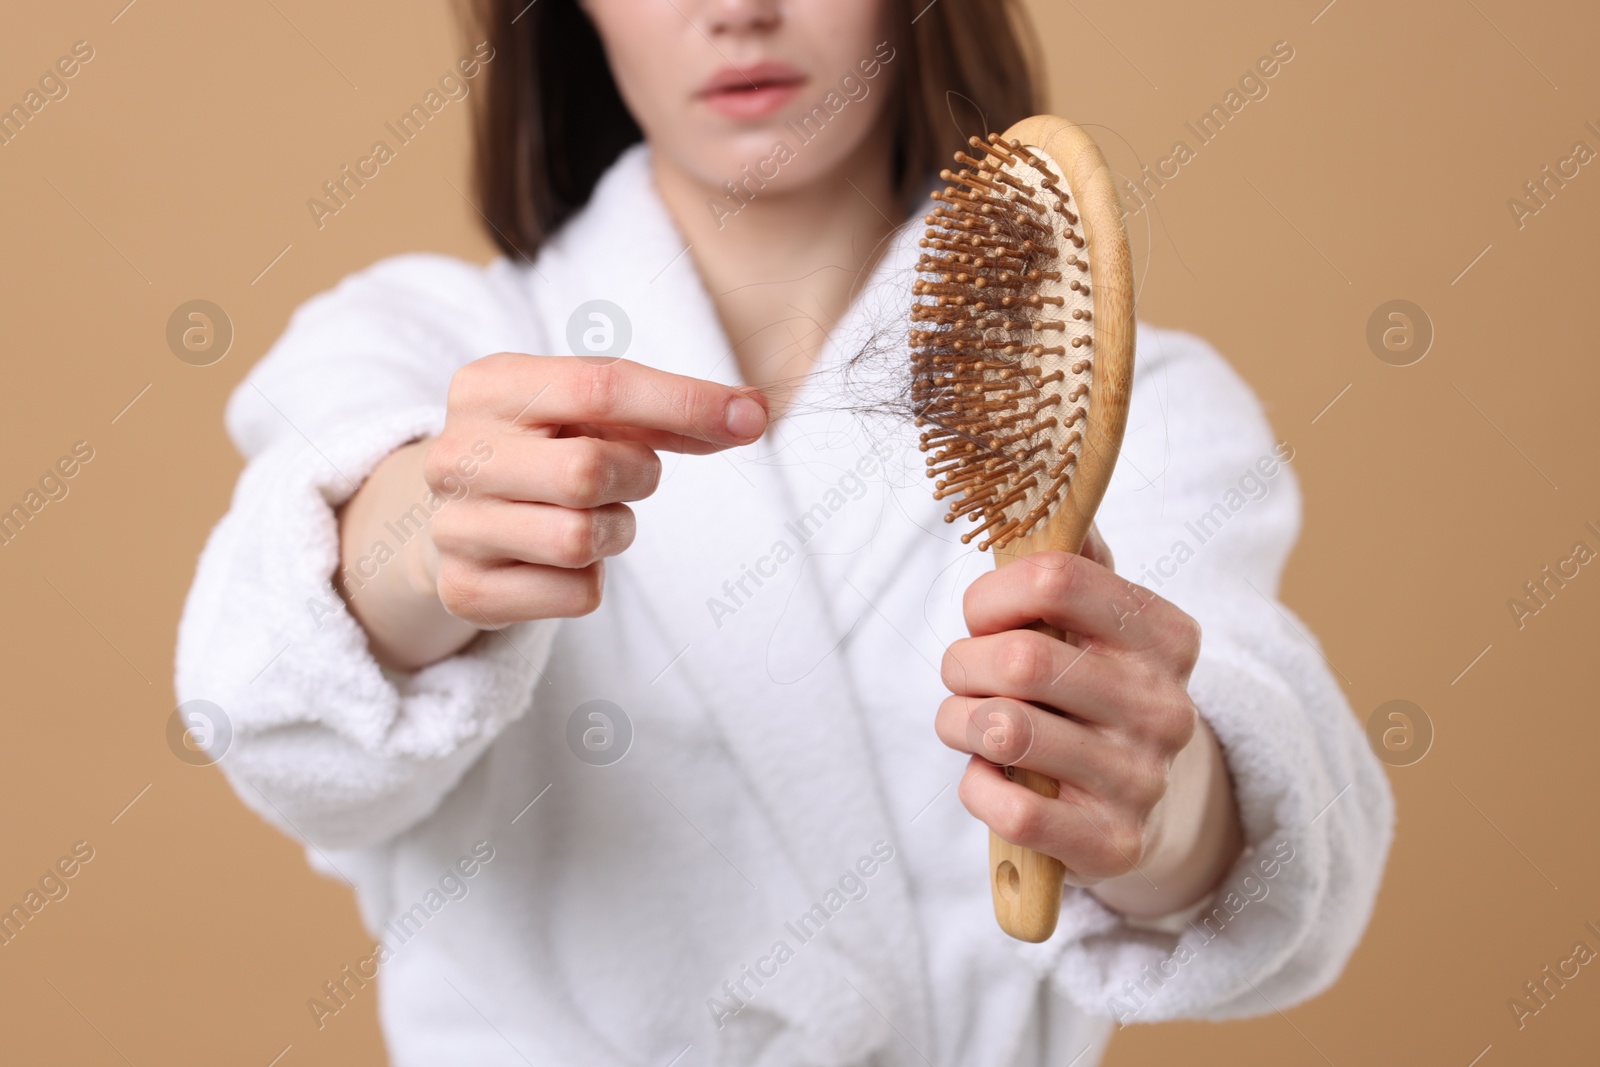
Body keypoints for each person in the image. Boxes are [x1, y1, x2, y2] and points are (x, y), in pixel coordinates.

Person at [176, 1, 1394, 1064]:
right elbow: (269, 715)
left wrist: (1155, 800)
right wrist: (417, 544)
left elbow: (1284, 831)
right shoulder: (421, 345)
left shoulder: (1135, 407)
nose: (738, 6)